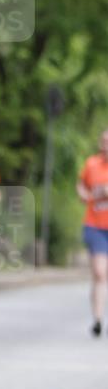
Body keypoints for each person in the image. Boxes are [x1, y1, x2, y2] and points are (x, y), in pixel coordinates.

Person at [76, 128, 108, 337]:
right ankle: (97, 318)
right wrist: (86, 194)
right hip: (95, 225)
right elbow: (81, 186)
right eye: (103, 141)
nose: (105, 144)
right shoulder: (92, 164)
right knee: (99, 273)